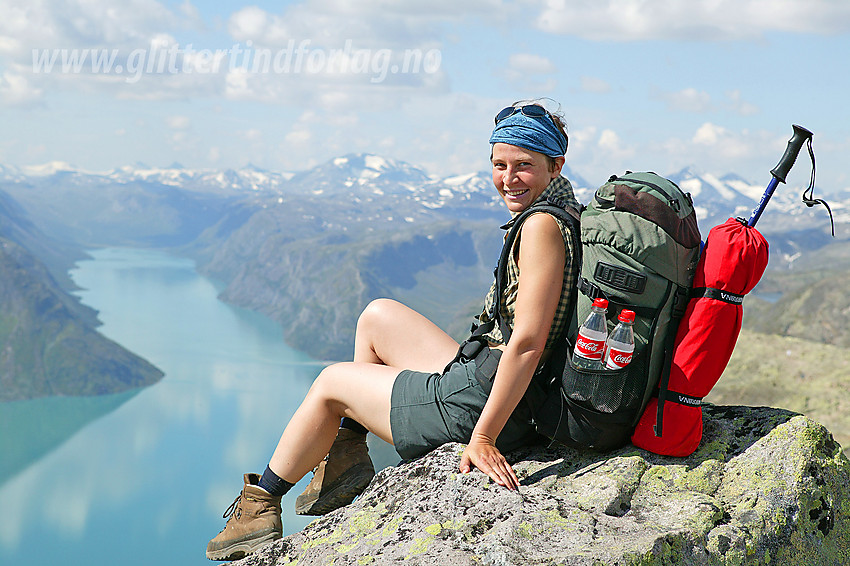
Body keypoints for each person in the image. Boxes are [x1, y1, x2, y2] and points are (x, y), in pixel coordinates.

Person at [206, 100, 581, 561]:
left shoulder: (541, 226)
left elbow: (526, 343)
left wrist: (482, 438)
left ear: (555, 165)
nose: (508, 177)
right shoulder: (565, 212)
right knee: (376, 316)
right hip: (490, 377)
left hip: (489, 403)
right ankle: (342, 459)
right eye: (499, 164)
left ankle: (260, 505)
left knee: (330, 383)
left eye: (524, 165)